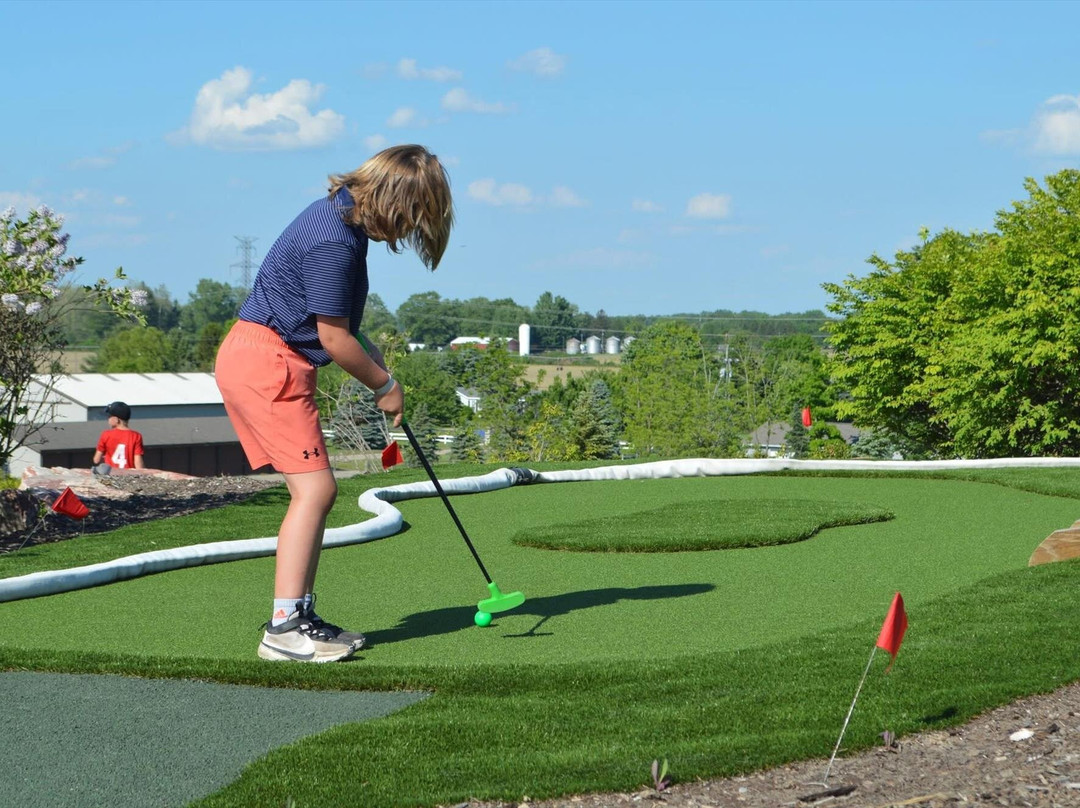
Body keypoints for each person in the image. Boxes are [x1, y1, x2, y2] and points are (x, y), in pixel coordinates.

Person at [215, 144, 454, 663]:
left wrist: (379, 364)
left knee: (315, 490)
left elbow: (344, 327)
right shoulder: (334, 239)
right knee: (316, 491)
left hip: (265, 356)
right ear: (397, 201)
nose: (408, 231)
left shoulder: (339, 218)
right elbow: (335, 338)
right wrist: (384, 385)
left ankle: (298, 612)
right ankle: (283, 629)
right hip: (266, 362)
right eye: (414, 218)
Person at [92, 401, 145, 473]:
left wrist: (106, 458)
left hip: (110, 477)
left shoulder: (106, 434)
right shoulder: (136, 436)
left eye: (109, 417)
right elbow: (138, 464)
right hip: (127, 478)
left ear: (116, 420)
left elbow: (96, 460)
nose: (108, 419)